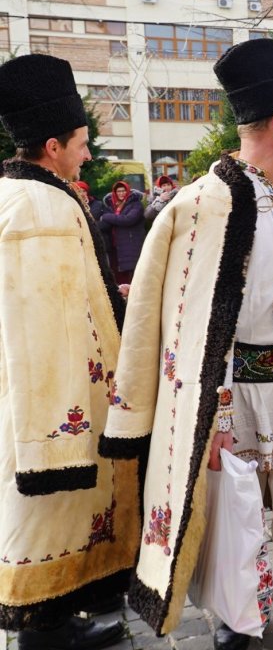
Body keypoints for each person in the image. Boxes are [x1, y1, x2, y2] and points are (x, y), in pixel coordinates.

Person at [100, 38, 273, 648]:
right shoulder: (207, 207)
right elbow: (196, 326)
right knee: (238, 523)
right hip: (239, 403)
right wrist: (217, 414)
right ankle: (238, 634)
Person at [0, 54, 139, 650]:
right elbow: (42, 326)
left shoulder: (23, 193)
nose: (88, 154)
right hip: (54, 415)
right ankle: (47, 635)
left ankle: (62, 622)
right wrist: (61, 440)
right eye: (82, 143)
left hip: (35, 404)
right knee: (41, 529)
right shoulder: (42, 208)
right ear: (53, 145)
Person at [99, 179, 146, 286]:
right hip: (116, 246)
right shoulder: (111, 206)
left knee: (133, 276)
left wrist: (106, 217)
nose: (121, 193)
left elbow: (128, 219)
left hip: (131, 244)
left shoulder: (136, 204)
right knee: (120, 279)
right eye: (118, 191)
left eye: (123, 191)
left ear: (128, 191)